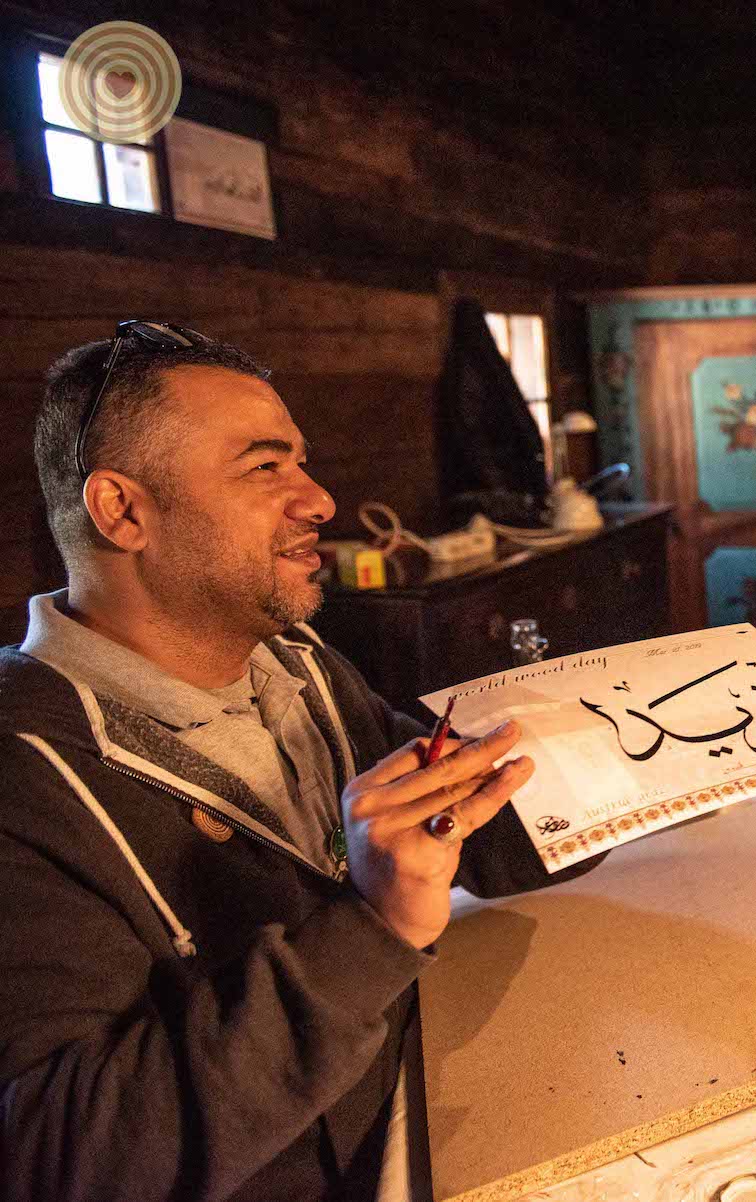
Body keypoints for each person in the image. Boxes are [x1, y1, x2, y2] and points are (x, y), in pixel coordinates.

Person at [0, 324, 590, 1201]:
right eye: (264, 468)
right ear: (122, 511)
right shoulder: (28, 777)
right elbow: (65, 1159)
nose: (319, 500)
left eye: (302, 464)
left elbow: (467, 832)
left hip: (429, 1120)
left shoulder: (297, 668)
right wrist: (374, 929)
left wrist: (633, 766)